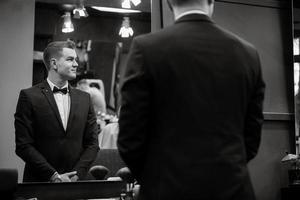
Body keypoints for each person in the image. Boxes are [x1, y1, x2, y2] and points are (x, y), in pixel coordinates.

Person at [117, 0, 265, 199]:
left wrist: (156, 177)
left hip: (167, 189)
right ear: (211, 1)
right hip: (232, 188)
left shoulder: (146, 49)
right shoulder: (248, 53)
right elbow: (252, 135)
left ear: (169, 3)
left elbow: (129, 138)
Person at [14, 41, 99, 182]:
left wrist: (77, 174)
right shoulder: (29, 97)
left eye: (76, 60)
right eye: (70, 59)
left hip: (75, 185)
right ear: (54, 64)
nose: (76, 64)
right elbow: (23, 145)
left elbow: (92, 144)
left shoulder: (85, 98)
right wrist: (53, 176)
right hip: (39, 183)